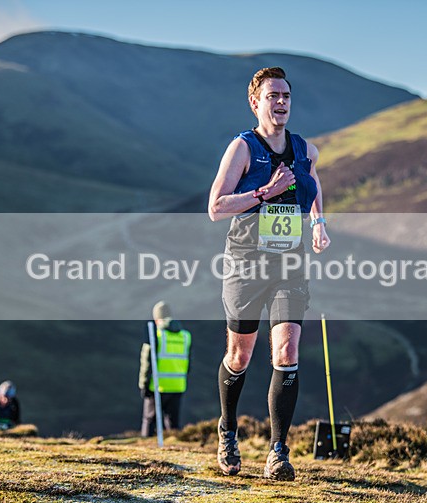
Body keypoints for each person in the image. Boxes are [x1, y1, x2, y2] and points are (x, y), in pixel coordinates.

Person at [207, 67, 330, 480]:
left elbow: (312, 180)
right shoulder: (242, 148)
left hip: (288, 264)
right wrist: (265, 193)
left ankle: (278, 451)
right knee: (239, 355)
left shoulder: (304, 149)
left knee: (287, 351)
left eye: (286, 96)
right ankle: (227, 429)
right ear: (255, 102)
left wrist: (318, 224)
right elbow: (216, 206)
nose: (280, 102)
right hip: (245, 263)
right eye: (272, 95)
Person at [138, 301, 191, 437]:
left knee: (149, 420)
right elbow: (188, 362)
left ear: (157, 319)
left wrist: (144, 384)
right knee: (173, 423)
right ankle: (175, 447)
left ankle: (146, 448)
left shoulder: (156, 336)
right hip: (178, 385)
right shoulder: (185, 336)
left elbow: (147, 362)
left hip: (157, 386)